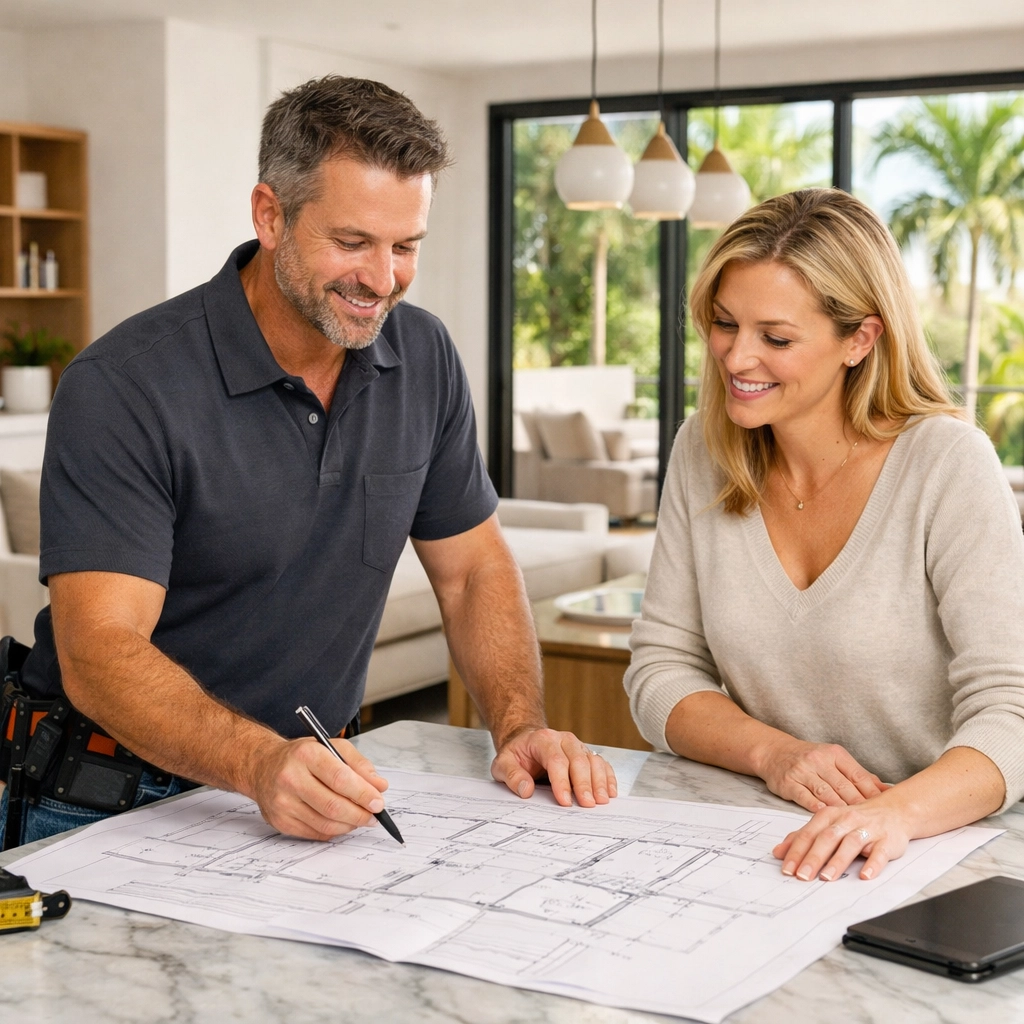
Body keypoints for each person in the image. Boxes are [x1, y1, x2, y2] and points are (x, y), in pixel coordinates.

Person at [1, 76, 615, 849]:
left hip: (316, 792)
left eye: (406, 246)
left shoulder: (423, 357)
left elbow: (472, 571)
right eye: (353, 242)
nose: (382, 278)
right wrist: (260, 763)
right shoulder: (125, 386)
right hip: (106, 800)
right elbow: (101, 650)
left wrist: (520, 725)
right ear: (270, 215)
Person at [624, 188, 1024, 884]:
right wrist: (775, 754)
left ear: (860, 339)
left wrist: (894, 813)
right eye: (724, 324)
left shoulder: (946, 464)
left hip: (934, 847)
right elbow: (660, 669)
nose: (737, 359)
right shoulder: (703, 450)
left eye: (776, 338)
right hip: (766, 839)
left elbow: (1013, 710)